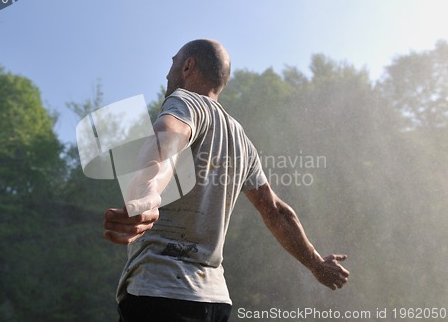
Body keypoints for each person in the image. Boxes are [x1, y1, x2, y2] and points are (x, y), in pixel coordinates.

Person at [103, 39, 349, 322]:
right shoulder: (242, 140)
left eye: (172, 63)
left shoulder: (184, 101)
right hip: (214, 302)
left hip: (160, 293)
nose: (167, 73)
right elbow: (277, 212)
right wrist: (317, 264)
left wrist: (147, 194)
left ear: (187, 66)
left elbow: (166, 143)